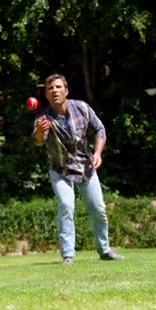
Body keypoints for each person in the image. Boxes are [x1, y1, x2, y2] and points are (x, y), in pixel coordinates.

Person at [32, 73, 124, 265]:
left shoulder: (82, 107)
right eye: (50, 89)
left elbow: (100, 130)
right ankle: (68, 255)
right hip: (60, 170)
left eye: (58, 87)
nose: (55, 91)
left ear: (66, 91)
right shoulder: (44, 118)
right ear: (47, 95)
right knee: (66, 205)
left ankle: (105, 250)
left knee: (98, 208)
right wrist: (40, 131)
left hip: (86, 167)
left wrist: (97, 153)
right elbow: (38, 140)